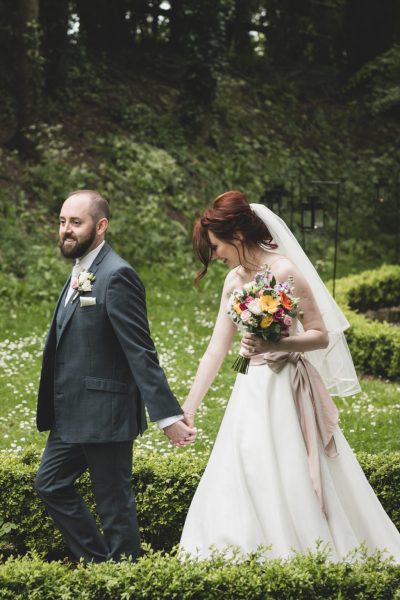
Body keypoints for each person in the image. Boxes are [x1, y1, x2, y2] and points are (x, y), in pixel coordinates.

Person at [179, 190, 400, 561]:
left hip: (286, 385)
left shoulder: (284, 271)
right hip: (250, 385)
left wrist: (277, 346)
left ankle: (303, 550)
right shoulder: (233, 281)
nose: (215, 256)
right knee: (245, 462)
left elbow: (319, 334)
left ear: (236, 237)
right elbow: (216, 349)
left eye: (216, 247)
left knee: (289, 466)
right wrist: (190, 406)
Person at [35, 189, 196, 563]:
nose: (66, 230)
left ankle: (126, 577)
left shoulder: (117, 274)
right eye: (62, 222)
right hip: (72, 413)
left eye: (76, 222)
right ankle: (97, 563)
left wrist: (167, 416)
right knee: (50, 484)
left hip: (106, 413)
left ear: (100, 225)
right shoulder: (82, 269)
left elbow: (139, 351)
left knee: (114, 505)